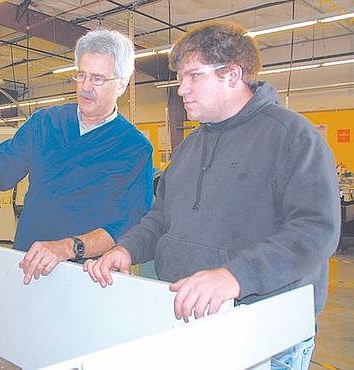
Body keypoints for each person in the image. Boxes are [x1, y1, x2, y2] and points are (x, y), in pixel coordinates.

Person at [84, 21, 340, 370]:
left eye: (193, 76)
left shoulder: (293, 138)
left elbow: (314, 231)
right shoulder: (190, 147)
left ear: (232, 75)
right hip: (188, 317)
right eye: (180, 79)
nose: (181, 90)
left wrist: (236, 275)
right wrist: (126, 249)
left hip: (265, 332)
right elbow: (161, 217)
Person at [0, 29, 154, 285]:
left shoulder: (134, 148)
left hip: (88, 274)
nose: (86, 86)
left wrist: (67, 248)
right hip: (30, 264)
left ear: (122, 84)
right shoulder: (46, 123)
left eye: (98, 78)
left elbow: (126, 226)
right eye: (81, 75)